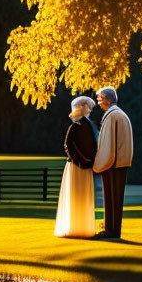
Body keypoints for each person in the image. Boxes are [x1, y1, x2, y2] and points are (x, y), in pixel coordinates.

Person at [54, 96, 98, 238]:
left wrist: (78, 161)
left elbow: (67, 145)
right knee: (83, 196)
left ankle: (74, 227)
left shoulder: (75, 126)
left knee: (75, 196)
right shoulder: (89, 127)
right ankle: (83, 228)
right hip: (84, 165)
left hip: (75, 166)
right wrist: (88, 161)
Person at [92, 86, 133, 239]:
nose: (98, 102)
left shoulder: (112, 116)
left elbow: (108, 144)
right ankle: (111, 228)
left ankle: (111, 230)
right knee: (113, 199)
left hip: (113, 164)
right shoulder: (118, 114)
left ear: (107, 99)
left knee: (112, 198)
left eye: (100, 98)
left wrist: (100, 162)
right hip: (119, 162)